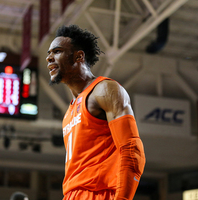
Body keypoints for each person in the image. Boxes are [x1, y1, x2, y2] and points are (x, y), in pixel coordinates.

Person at [46, 24, 146, 200]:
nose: (49, 58)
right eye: (48, 53)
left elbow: (132, 151)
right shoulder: (69, 112)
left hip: (98, 194)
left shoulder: (105, 90)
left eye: (57, 51)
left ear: (79, 56)